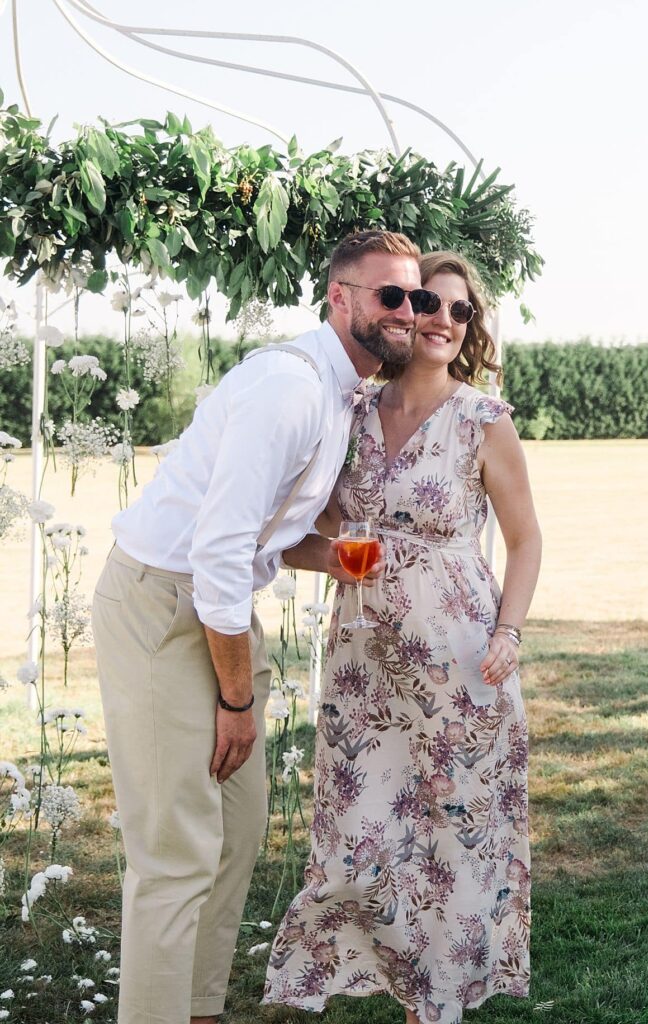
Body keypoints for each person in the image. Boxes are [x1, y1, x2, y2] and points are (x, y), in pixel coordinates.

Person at [91, 229, 427, 1024]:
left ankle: (199, 1011)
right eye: (390, 295)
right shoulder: (291, 387)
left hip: (219, 607)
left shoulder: (343, 393)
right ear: (339, 299)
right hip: (162, 605)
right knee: (175, 855)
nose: (408, 311)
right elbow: (216, 548)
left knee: (236, 836)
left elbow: (265, 537)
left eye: (415, 297)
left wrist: (346, 560)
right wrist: (237, 704)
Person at [263, 251, 542, 1024]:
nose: (448, 322)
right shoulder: (349, 412)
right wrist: (342, 557)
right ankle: (388, 974)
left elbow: (525, 542)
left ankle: (438, 1003)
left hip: (461, 660)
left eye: (463, 312)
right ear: (404, 310)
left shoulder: (485, 420)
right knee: (365, 832)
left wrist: (510, 632)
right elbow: (301, 527)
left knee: (453, 835)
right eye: (432, 304)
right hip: (361, 666)